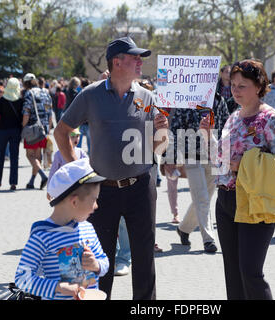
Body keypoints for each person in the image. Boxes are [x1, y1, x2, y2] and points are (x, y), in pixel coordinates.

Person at [54, 36, 169, 300]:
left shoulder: (148, 97)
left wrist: (163, 130)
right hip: (100, 192)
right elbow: (61, 132)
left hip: (141, 187)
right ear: (117, 62)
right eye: (134, 57)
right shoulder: (90, 95)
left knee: (143, 259)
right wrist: (78, 172)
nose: (140, 61)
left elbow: (159, 148)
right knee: (97, 259)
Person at [201, 59, 275, 300]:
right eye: (232, 85)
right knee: (232, 273)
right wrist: (207, 136)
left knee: (251, 273)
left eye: (242, 85)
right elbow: (220, 162)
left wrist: (244, 165)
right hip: (225, 200)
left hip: (256, 202)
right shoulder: (232, 118)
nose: (235, 90)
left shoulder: (272, 119)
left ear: (259, 86)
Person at [15, 158, 110, 300]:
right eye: (94, 199)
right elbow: (22, 278)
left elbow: (104, 261)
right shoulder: (43, 236)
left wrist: (97, 265)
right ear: (74, 202)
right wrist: (58, 287)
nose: (96, 206)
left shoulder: (88, 228)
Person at [167, 91, 229, 253]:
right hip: (192, 155)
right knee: (201, 198)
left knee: (204, 198)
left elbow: (226, 126)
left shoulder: (219, 100)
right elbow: (175, 128)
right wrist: (171, 157)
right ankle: (209, 239)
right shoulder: (186, 100)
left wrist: (225, 152)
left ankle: (184, 228)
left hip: (214, 155)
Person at [0, 79, 23, 190]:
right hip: (15, 130)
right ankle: (13, 182)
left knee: (0, 156)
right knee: (14, 157)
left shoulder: (2, 100)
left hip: (3, 130)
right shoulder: (20, 101)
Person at [22, 73, 52, 190]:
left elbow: (26, 112)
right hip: (43, 128)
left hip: (32, 128)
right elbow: (50, 112)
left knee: (30, 155)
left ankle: (43, 175)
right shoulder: (45, 92)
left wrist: (23, 126)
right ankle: (31, 181)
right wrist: (48, 128)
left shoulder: (29, 93)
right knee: (37, 156)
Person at [47, 127, 88, 200]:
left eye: (78, 136)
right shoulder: (59, 154)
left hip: (77, 185)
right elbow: (53, 172)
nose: (76, 139)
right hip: (63, 186)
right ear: (65, 138)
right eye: (72, 137)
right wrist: (49, 189)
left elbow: (88, 165)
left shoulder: (81, 152)